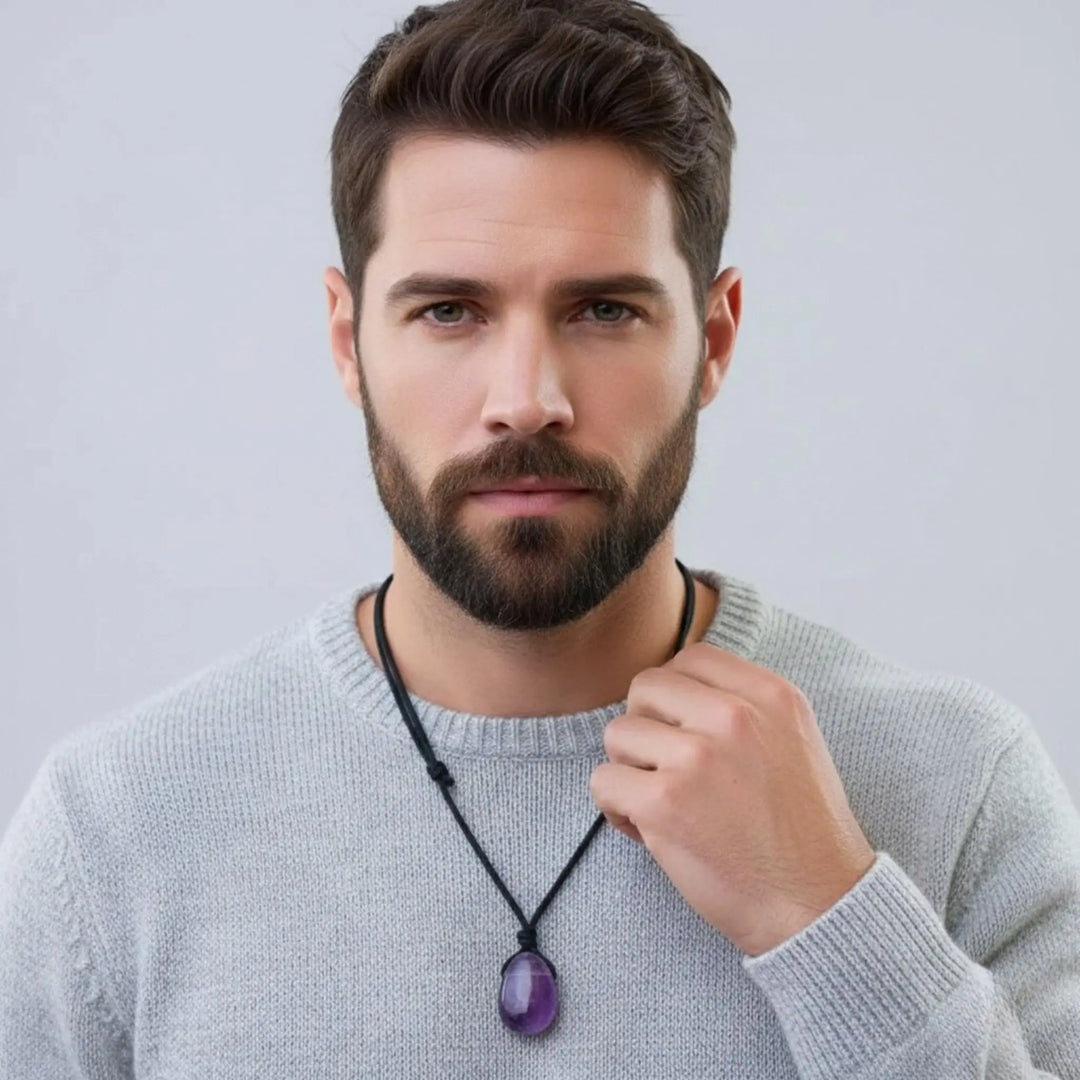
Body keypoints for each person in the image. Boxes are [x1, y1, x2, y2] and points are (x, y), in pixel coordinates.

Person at [3, 0, 1079, 1075]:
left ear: (713, 339)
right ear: (348, 342)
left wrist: (829, 917)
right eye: (449, 312)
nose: (526, 400)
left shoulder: (956, 785)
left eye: (603, 310)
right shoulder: (119, 829)